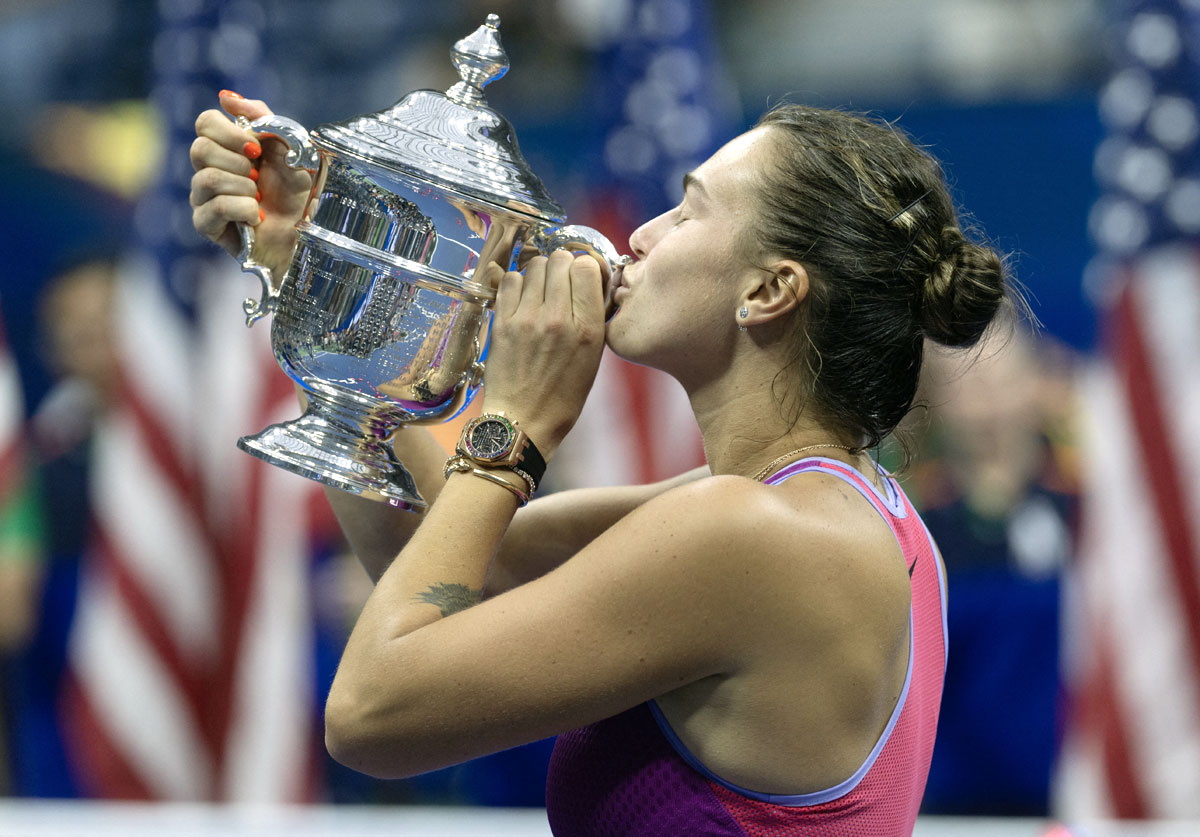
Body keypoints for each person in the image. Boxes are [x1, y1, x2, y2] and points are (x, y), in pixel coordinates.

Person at [190, 90, 1020, 835]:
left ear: (770, 290)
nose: (642, 234)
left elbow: (371, 713)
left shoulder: (754, 536)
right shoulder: (819, 505)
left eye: (688, 212)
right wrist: (323, 272)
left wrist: (515, 428)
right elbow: (460, 563)